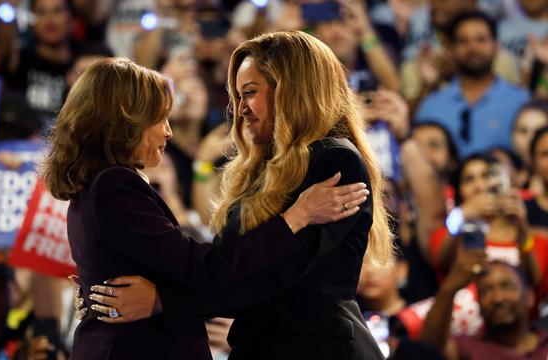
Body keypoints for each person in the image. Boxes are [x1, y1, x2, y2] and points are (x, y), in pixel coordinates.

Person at [83, 31, 392, 359]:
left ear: (293, 91)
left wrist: (163, 301)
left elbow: (278, 276)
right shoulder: (255, 172)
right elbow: (224, 264)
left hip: (321, 348)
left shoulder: (336, 160)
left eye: (250, 93)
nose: (240, 109)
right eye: (237, 96)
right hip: (257, 346)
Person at [414, 11, 530, 158]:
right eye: (463, 41)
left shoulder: (520, 101)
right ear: (451, 48)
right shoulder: (431, 105)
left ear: (496, 46)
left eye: (481, 40)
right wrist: (426, 86)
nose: (473, 48)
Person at [420, 256, 548, 359]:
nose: (498, 298)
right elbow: (430, 350)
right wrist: (449, 289)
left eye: (507, 286)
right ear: (478, 303)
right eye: (486, 291)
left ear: (530, 296)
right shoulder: (468, 349)